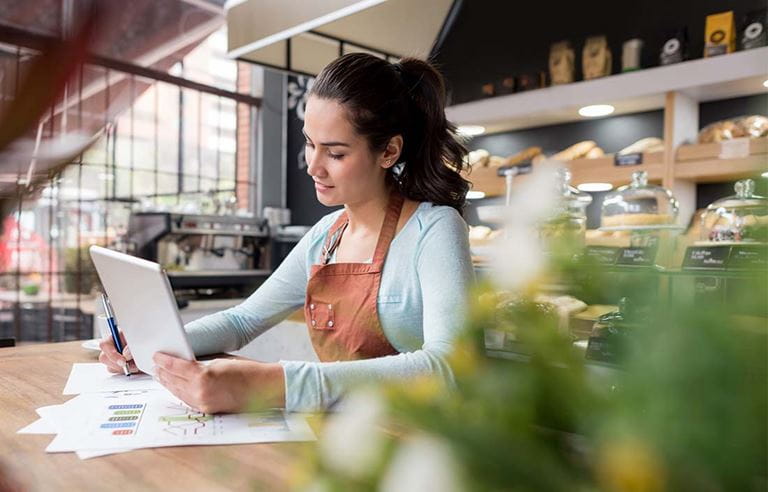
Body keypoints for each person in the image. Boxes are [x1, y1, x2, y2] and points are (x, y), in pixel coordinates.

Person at [99, 53, 475, 413]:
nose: (313, 166)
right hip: (347, 440)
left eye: (336, 153)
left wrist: (272, 383)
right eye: (310, 143)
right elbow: (242, 321)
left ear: (389, 151)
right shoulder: (325, 236)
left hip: (419, 445)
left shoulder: (435, 229)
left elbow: (448, 368)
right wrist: (151, 346)